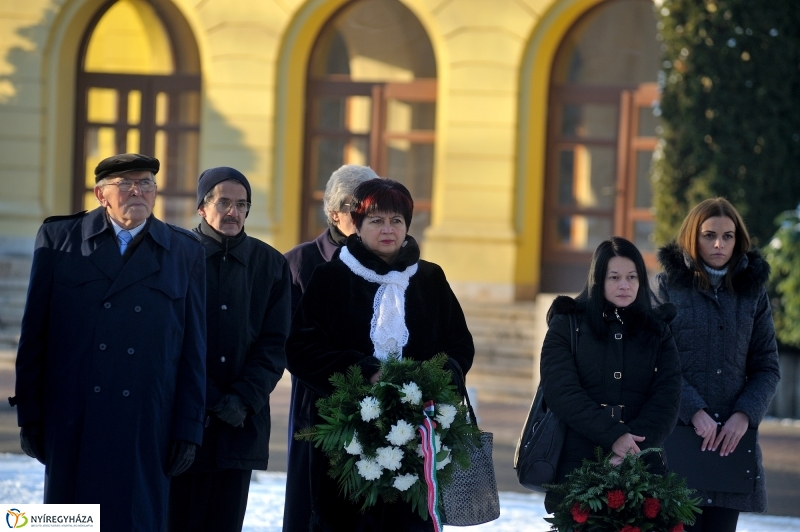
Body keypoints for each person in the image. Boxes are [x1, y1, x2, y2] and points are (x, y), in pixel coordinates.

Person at [12, 153, 206, 531]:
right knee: (71, 522)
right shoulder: (59, 241)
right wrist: (30, 414)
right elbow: (34, 335)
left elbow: (192, 349)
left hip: (146, 423)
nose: (138, 191)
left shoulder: (184, 251)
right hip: (74, 419)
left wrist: (188, 426)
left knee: (136, 519)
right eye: (126, 184)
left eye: (146, 184)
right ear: (101, 194)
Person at [284, 178, 474, 531]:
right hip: (343, 445)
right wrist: (363, 371)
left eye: (396, 221)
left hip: (418, 437)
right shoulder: (331, 277)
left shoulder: (430, 279)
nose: (388, 230)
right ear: (356, 225)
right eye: (376, 221)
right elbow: (300, 349)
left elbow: (460, 346)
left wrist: (432, 380)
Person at [168, 167, 291, 532]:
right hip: (184, 423)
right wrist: (205, 396)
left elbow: (275, 342)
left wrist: (244, 398)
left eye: (242, 204)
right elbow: (168, 339)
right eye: (224, 202)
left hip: (241, 426)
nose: (233, 211)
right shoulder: (175, 257)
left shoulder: (271, 265)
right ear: (202, 208)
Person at [651, 197, 781, 532]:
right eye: (709, 235)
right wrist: (693, 410)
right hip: (677, 442)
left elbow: (767, 366)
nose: (719, 244)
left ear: (739, 240)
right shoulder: (668, 287)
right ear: (693, 237)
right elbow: (656, 363)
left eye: (728, 236)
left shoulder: (752, 293)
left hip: (730, 447)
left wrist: (744, 416)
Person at [540, 237, 682, 513]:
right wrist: (613, 436)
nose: (624, 285)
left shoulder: (657, 330)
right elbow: (561, 390)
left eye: (632, 277)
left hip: (643, 462)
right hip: (578, 461)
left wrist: (632, 449)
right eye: (614, 277)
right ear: (597, 279)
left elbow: (668, 395)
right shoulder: (567, 323)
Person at [282, 164, 378, 531]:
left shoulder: (389, 264)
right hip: (318, 406)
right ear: (335, 213)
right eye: (357, 208)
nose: (366, 216)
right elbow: (291, 341)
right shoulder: (300, 262)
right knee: (314, 509)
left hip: (377, 402)